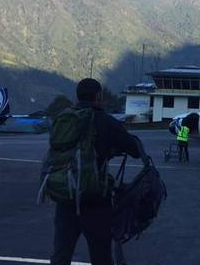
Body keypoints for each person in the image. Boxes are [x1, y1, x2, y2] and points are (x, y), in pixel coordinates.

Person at [50, 78, 141, 265]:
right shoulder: (106, 121)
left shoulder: (64, 120)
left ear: (77, 96)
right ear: (98, 97)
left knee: (61, 256)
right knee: (101, 257)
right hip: (95, 201)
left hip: (66, 197)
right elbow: (134, 150)